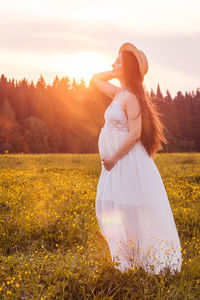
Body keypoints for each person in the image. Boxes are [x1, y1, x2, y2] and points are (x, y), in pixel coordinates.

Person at [92, 42, 182, 275]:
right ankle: (127, 259)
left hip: (126, 161)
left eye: (118, 61)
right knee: (112, 207)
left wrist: (113, 158)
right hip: (116, 163)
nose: (113, 63)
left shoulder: (131, 97)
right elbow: (94, 79)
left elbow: (134, 134)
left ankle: (136, 262)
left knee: (127, 209)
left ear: (129, 68)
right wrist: (115, 70)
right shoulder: (119, 93)